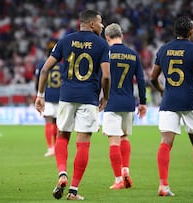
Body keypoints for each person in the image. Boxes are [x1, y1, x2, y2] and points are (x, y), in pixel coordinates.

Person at [35, 9, 110, 200]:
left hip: (66, 96)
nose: (102, 25)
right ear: (92, 24)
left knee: (62, 136)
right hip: (89, 98)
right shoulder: (101, 44)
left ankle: (62, 173)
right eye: (100, 22)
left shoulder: (65, 40)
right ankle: (73, 190)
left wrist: (40, 95)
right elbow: (107, 75)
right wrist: (106, 97)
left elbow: (44, 69)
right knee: (83, 143)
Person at [150, 16, 193, 197]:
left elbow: (153, 77)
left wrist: (162, 90)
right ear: (191, 31)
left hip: (169, 101)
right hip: (190, 101)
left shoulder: (163, 49)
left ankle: (163, 185)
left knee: (165, 142)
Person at [102, 23, 147, 190]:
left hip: (111, 102)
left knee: (113, 141)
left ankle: (118, 179)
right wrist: (142, 102)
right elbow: (141, 81)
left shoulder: (106, 53)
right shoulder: (133, 54)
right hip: (129, 103)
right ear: (121, 35)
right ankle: (126, 170)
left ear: (107, 38)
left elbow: (102, 77)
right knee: (125, 137)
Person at [35, 41, 62, 157]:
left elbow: (38, 80)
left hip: (48, 95)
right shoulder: (62, 66)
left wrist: (38, 93)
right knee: (57, 123)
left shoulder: (42, 64)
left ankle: (50, 147)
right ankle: (56, 147)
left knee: (48, 122)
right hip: (60, 96)